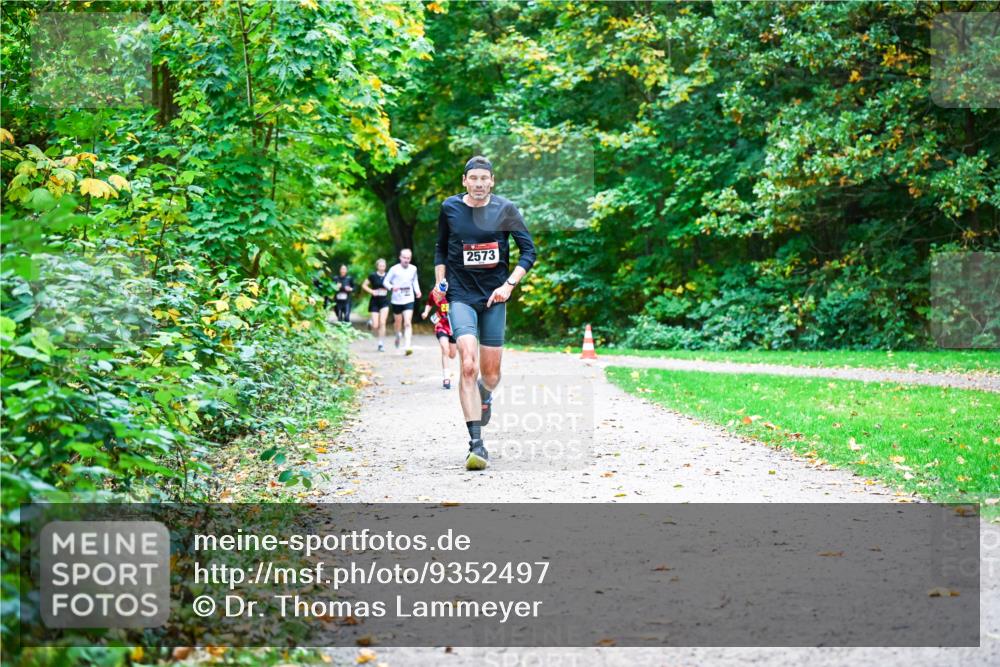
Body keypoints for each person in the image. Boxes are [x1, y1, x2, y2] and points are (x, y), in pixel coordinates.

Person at [432, 155, 536, 470]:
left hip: (494, 297)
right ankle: (476, 445)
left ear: (492, 181)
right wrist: (440, 282)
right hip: (461, 296)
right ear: (465, 181)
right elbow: (440, 248)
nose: (478, 184)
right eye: (473, 178)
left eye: (484, 178)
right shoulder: (450, 208)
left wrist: (509, 285)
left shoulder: (505, 209)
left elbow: (528, 251)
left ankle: (485, 395)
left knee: (490, 375)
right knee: (468, 365)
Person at [383, 248, 421, 355]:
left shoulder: (413, 269)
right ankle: (397, 335)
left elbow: (415, 281)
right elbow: (385, 281)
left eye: (408, 258)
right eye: (404, 258)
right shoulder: (394, 269)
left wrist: (417, 291)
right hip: (397, 300)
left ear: (410, 259)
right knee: (398, 323)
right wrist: (391, 287)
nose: (406, 260)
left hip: (409, 298)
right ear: (400, 257)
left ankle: (408, 345)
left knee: (408, 322)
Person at [422, 284, 457, 389]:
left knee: (452, 355)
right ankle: (446, 378)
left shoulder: (454, 293)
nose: (437, 294)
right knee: (444, 349)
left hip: (453, 327)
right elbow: (429, 302)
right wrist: (426, 312)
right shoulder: (435, 292)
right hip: (441, 325)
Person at [362, 258, 391, 351]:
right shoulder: (373, 276)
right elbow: (364, 285)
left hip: (384, 301)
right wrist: (371, 291)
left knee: (383, 322)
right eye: (380, 266)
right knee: (375, 325)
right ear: (377, 266)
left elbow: (393, 285)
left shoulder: (388, 276)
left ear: (385, 266)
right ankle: (371, 322)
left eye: (383, 266)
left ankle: (381, 344)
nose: (382, 267)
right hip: (374, 301)